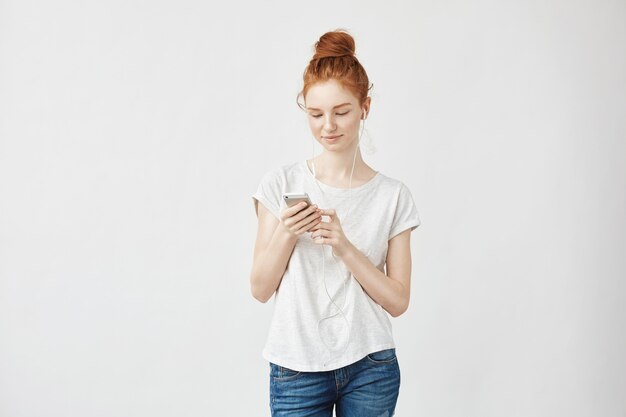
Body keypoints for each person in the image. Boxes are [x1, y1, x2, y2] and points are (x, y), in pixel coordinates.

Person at [249, 29, 421, 417]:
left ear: (365, 108)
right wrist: (289, 232)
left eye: (341, 111)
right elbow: (260, 289)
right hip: (296, 368)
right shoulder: (280, 184)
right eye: (316, 114)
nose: (328, 126)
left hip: (371, 367)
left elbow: (398, 301)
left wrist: (344, 246)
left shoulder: (393, 196)